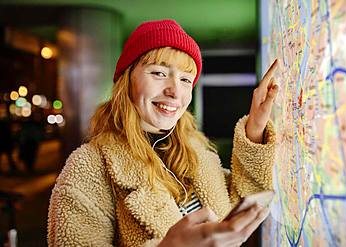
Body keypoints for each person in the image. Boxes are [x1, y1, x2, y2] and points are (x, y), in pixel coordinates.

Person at [47, 19, 279, 246]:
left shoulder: (196, 152)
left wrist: (256, 127)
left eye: (186, 79)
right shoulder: (88, 167)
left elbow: (241, 200)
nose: (175, 91)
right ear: (127, 80)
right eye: (159, 73)